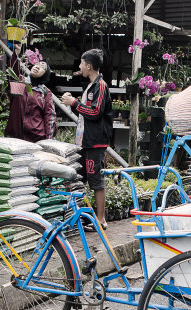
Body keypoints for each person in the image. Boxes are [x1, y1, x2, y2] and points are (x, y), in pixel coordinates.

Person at [60, 49, 113, 231]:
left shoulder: (101, 85)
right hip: (85, 140)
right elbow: (85, 111)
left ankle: (101, 220)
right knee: (80, 177)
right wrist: (73, 103)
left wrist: (73, 103)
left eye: (81, 64)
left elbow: (95, 112)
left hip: (95, 142)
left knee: (96, 180)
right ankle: (82, 216)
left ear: (89, 66)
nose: (80, 67)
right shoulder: (91, 85)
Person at [5, 43, 56, 143]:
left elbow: (49, 117)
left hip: (36, 138)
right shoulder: (21, 82)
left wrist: (49, 141)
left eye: (42, 67)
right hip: (15, 136)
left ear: (45, 75)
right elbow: (12, 72)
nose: (37, 67)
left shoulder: (45, 93)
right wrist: (16, 53)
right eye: (37, 64)